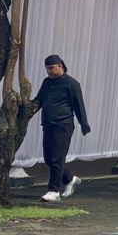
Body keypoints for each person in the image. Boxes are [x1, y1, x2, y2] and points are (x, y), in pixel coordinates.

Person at [35, 55, 91, 201]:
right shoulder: (46, 82)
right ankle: (69, 179)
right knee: (49, 158)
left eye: (51, 68)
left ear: (60, 66)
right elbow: (39, 100)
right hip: (48, 124)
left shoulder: (71, 84)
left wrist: (84, 124)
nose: (49, 71)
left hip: (63, 124)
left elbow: (79, 106)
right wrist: (25, 111)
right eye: (47, 68)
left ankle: (54, 190)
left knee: (57, 157)